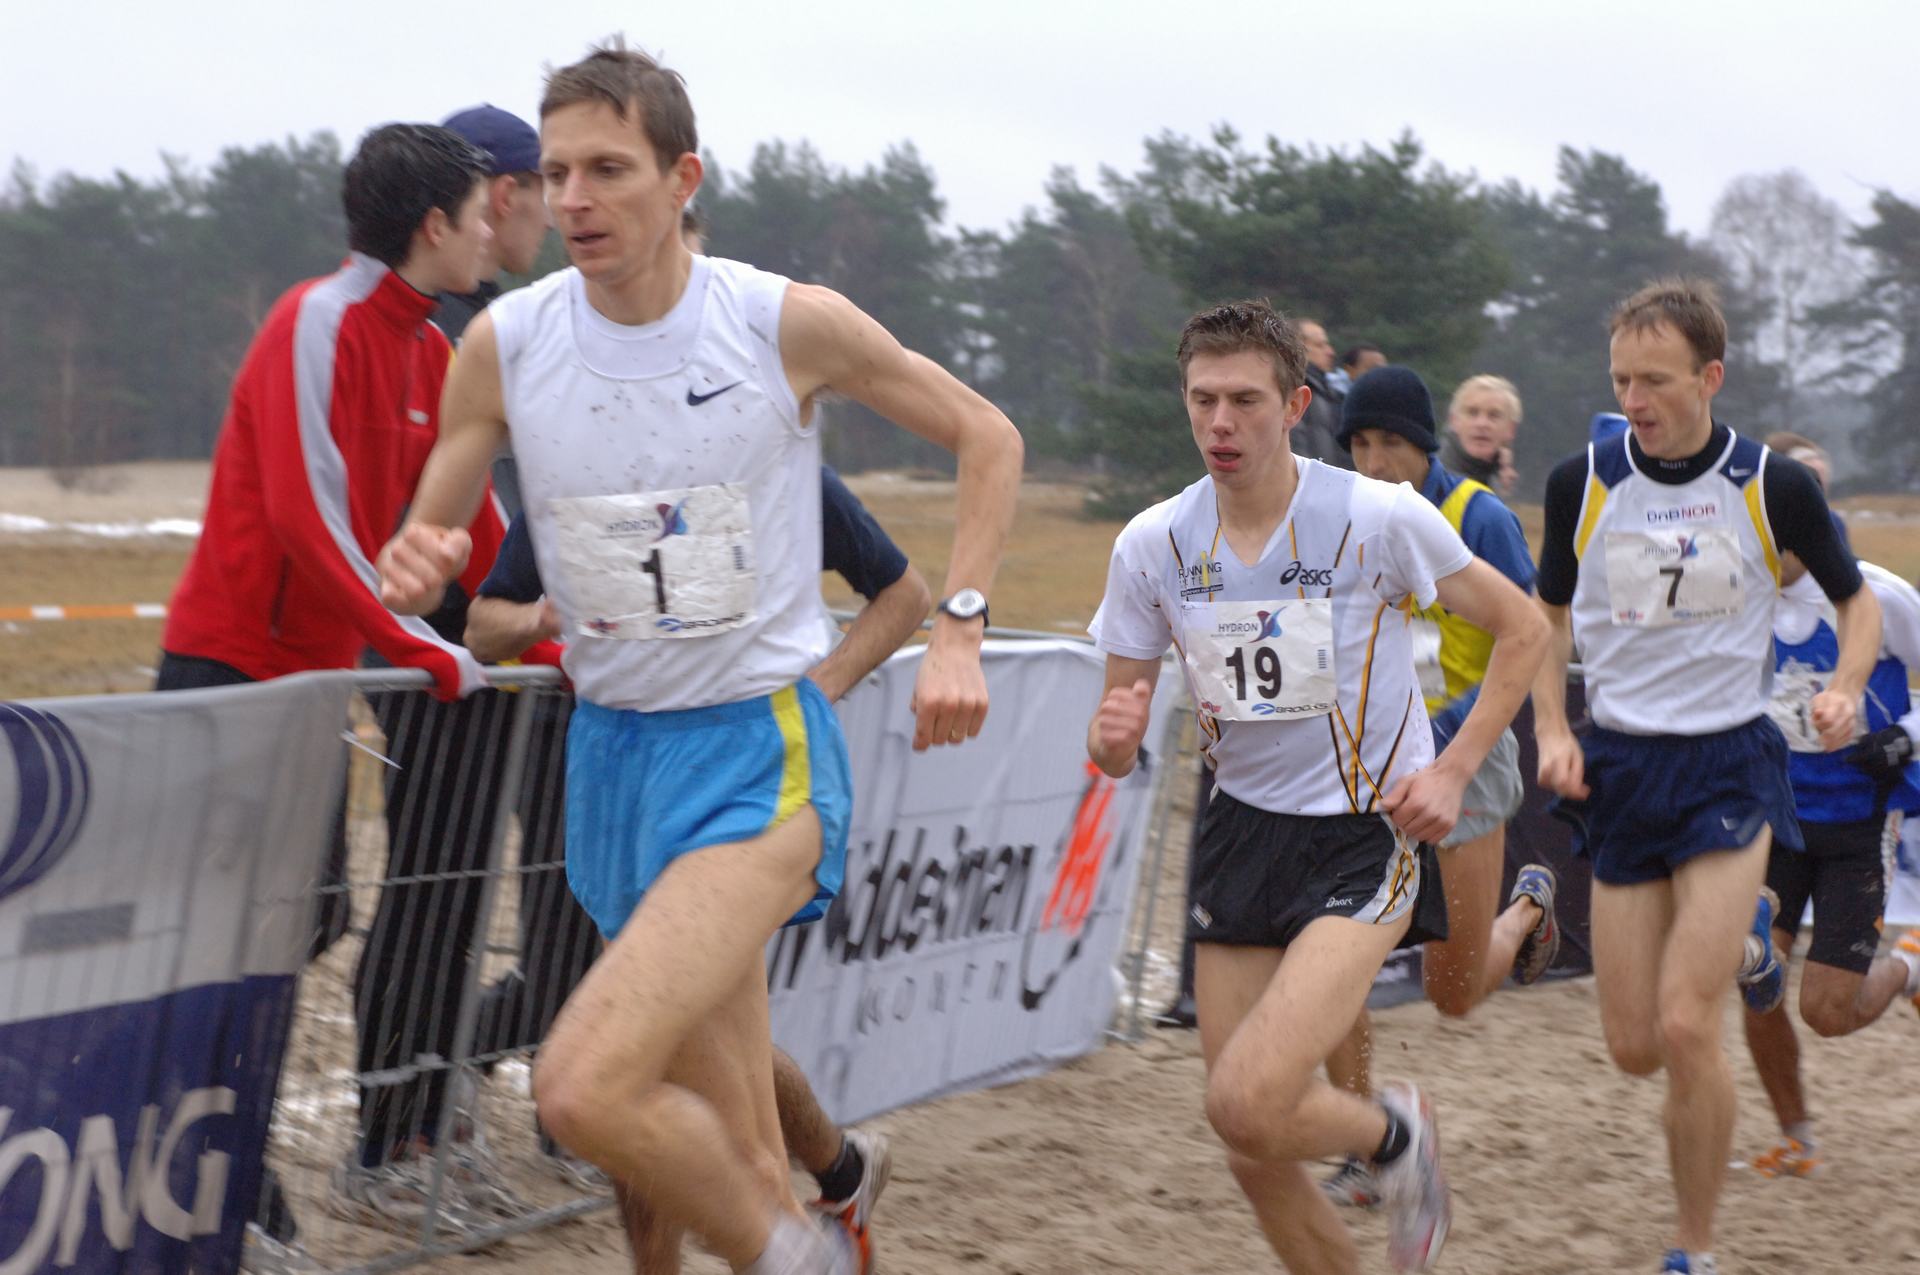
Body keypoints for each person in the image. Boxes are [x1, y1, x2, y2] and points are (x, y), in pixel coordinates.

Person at [375, 40, 1022, 1275]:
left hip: (752, 758)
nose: (574, 198)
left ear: (682, 180)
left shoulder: (780, 324)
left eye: (608, 169)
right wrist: (420, 552)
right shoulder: (506, 344)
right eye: (556, 173)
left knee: (582, 1083)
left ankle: (794, 1252)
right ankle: (794, 1225)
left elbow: (986, 435)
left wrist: (959, 629)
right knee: (715, 1130)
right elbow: (439, 524)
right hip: (612, 760)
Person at [1086, 300, 1546, 1273]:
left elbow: (1526, 628)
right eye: (1202, 400)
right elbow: (1113, 736)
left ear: (1295, 405)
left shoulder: (1376, 516)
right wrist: (1113, 737)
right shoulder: (1154, 543)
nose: (1220, 422)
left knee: (1245, 1096)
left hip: (1361, 835)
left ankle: (1394, 1136)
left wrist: (1453, 769)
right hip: (1240, 834)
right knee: (1251, 1141)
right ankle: (1389, 1145)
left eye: (1244, 400)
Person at [153, 121, 499, 1263]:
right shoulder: (317, 318)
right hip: (225, 671)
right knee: (222, 936)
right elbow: (305, 513)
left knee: (305, 922)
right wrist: (417, 642)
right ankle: (221, 1187)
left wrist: (560, 628)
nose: (497, 229)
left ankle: (230, 1177)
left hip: (311, 687)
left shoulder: (432, 349)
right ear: (435, 225)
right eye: (482, 213)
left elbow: (473, 519)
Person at [466, 463, 925, 1264]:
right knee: (688, 1089)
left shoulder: (766, 453)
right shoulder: (574, 458)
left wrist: (818, 690)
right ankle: (837, 1179)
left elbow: (907, 589)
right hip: (618, 778)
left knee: (656, 1087)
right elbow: (482, 626)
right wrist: (551, 610)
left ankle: (819, 1200)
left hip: (736, 779)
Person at [1530, 278, 1882, 1275]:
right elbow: (1544, 616)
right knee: (1635, 1046)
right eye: (1621, 380)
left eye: (1655, 380)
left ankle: (1694, 1248)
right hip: (1622, 766)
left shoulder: (1773, 484)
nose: (1633, 399)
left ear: (1710, 376)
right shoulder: (1581, 483)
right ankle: (1749, 943)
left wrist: (1846, 688)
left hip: (1730, 761)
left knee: (1689, 1026)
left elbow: (1856, 603)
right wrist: (1552, 725)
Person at [1320, 365, 1561, 1209]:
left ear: (1426, 444)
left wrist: (1448, 741)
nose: (1374, 460)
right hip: (1363, 765)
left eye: (1391, 441)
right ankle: (1364, 1141)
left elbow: (1525, 637)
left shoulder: (1479, 517)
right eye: (1359, 443)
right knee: (1331, 965)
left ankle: (1526, 911)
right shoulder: (1340, 515)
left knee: (1451, 993)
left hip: (1467, 754)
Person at [1740, 435, 1920, 1179]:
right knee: (1754, 979)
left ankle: (1908, 965)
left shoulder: (1878, 594)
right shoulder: (1734, 595)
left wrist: (1905, 737)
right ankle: (1797, 1137)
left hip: (1858, 824)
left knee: (1826, 1011)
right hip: (1776, 823)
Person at [1439, 374, 1521, 498]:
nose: (1482, 424)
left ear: (1511, 429)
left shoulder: (1501, 484)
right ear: (1453, 421)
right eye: (1472, 413)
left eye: (1494, 415)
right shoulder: (1433, 482)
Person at [1291, 318, 1352, 469]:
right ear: (1296, 347)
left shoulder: (1326, 391)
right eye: (1320, 345)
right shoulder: (1292, 389)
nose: (1331, 352)